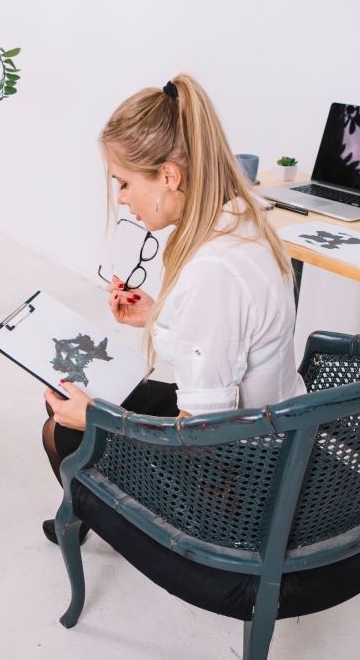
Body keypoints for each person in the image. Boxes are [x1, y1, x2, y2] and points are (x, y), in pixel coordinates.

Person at [40, 75, 307, 543]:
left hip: (242, 468)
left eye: (123, 183)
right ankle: (86, 510)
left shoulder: (214, 270)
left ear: (168, 176)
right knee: (74, 398)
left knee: (63, 430)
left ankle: (93, 513)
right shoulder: (242, 219)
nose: (121, 198)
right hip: (272, 428)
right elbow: (226, 332)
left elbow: (201, 433)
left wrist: (97, 421)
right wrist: (161, 312)